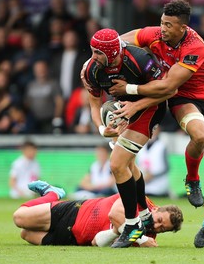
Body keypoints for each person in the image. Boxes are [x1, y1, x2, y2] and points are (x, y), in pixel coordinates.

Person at [108, 0, 204, 248]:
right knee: (199, 135)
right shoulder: (156, 34)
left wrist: (129, 88)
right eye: (162, 23)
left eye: (169, 25)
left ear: (183, 28)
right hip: (181, 98)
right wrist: (104, 53)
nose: (162, 29)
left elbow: (166, 84)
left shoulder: (194, 47)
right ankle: (192, 179)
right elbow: (124, 40)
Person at [82, 28, 173, 248]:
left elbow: (167, 90)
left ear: (112, 52)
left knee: (117, 163)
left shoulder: (140, 59)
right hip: (124, 110)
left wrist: (134, 100)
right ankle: (144, 215)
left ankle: (132, 225)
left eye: (97, 53)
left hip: (150, 108)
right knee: (128, 164)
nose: (93, 57)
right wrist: (103, 129)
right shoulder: (91, 70)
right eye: (92, 52)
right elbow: (94, 104)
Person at [13, 180, 183, 247]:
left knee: (25, 234)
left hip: (75, 240)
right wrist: (142, 239)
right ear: (155, 209)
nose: (157, 226)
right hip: (75, 213)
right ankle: (52, 194)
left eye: (162, 228)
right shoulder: (141, 201)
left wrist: (118, 231)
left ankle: (51, 196)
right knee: (19, 217)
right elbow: (114, 213)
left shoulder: (147, 236)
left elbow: (97, 242)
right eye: (160, 220)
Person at [137, 126, 170, 197]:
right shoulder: (141, 146)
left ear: (159, 130)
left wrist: (152, 175)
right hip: (144, 184)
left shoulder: (162, 146)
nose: (152, 132)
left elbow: (166, 167)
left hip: (158, 186)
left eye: (154, 129)